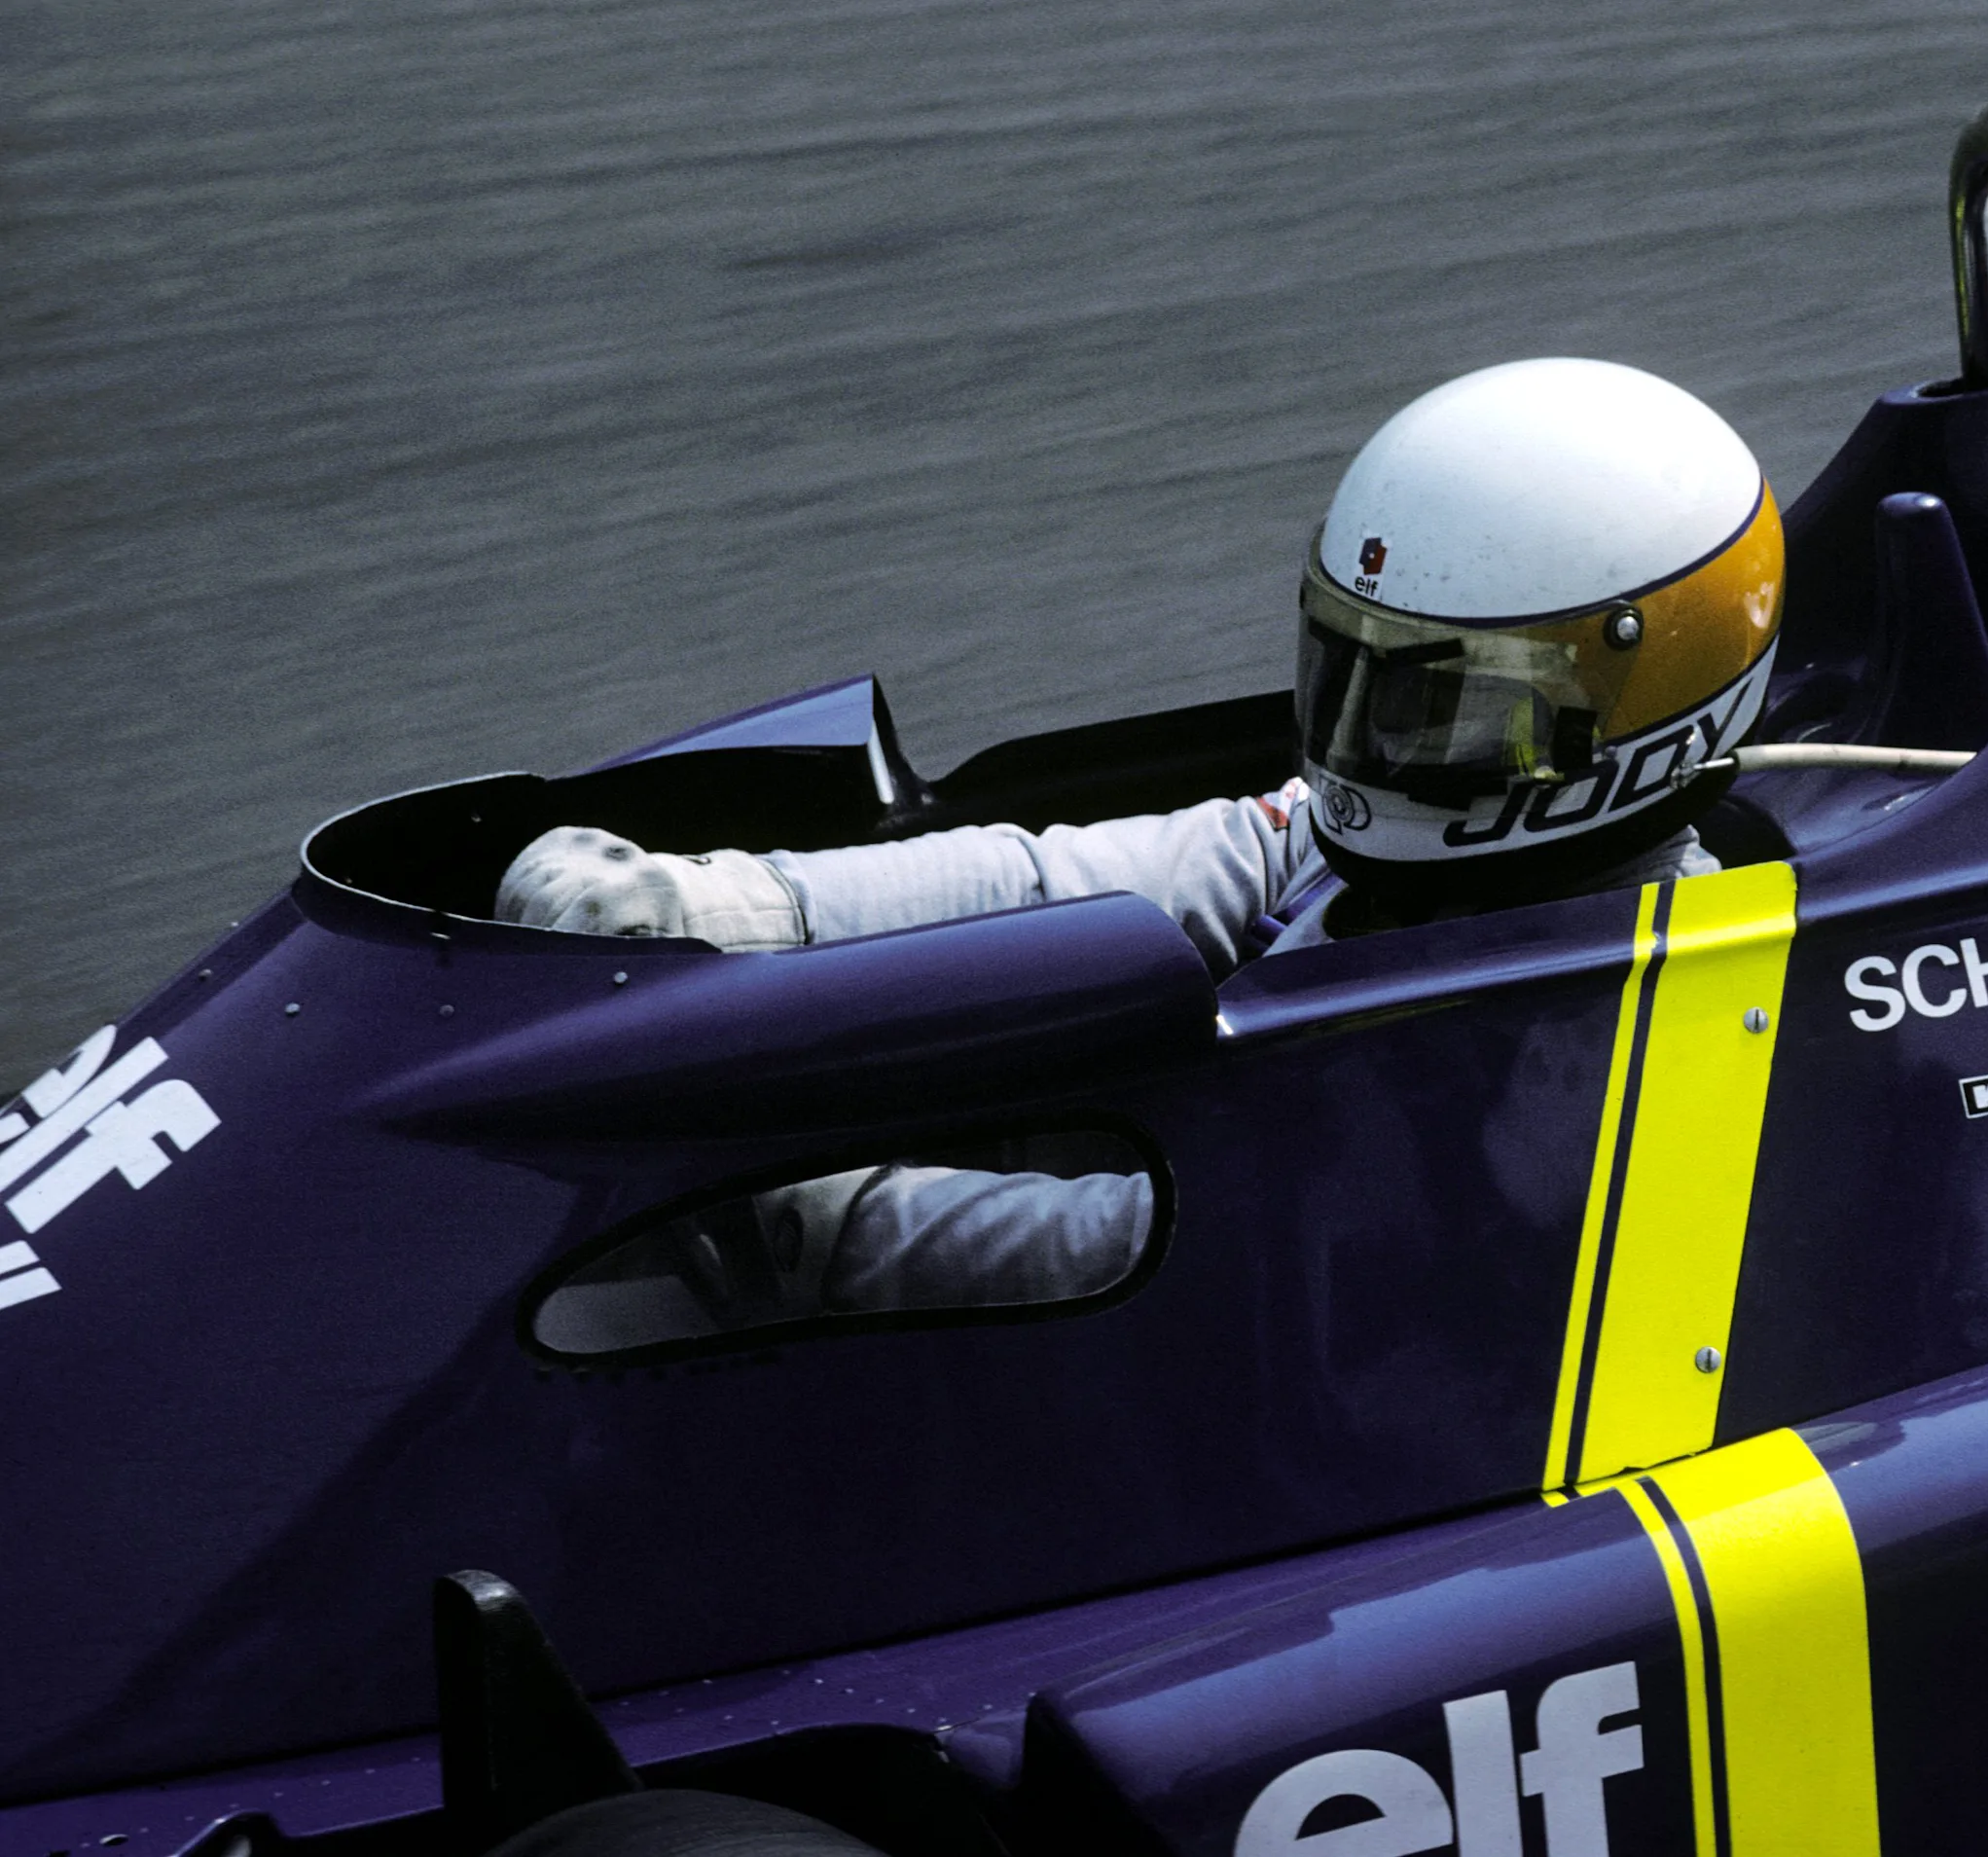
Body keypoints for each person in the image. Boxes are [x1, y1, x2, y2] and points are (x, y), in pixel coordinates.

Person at [500, 358, 1785, 1333]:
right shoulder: (1375, 842)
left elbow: (1167, 1252)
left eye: (1448, 704)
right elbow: (1062, 884)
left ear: (1643, 708)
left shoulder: (1603, 1078)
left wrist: (804, 1230)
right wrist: (731, 905)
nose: (1375, 740)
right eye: (1359, 677)